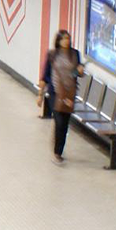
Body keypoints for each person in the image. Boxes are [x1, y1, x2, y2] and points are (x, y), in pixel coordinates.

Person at [40, 29, 85, 164]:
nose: (66, 41)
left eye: (67, 38)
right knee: (59, 120)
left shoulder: (75, 54)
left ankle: (59, 148)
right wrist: (40, 94)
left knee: (65, 123)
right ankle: (56, 152)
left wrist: (79, 72)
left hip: (69, 93)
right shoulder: (52, 55)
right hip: (55, 92)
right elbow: (45, 74)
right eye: (63, 39)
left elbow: (77, 74)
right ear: (58, 41)